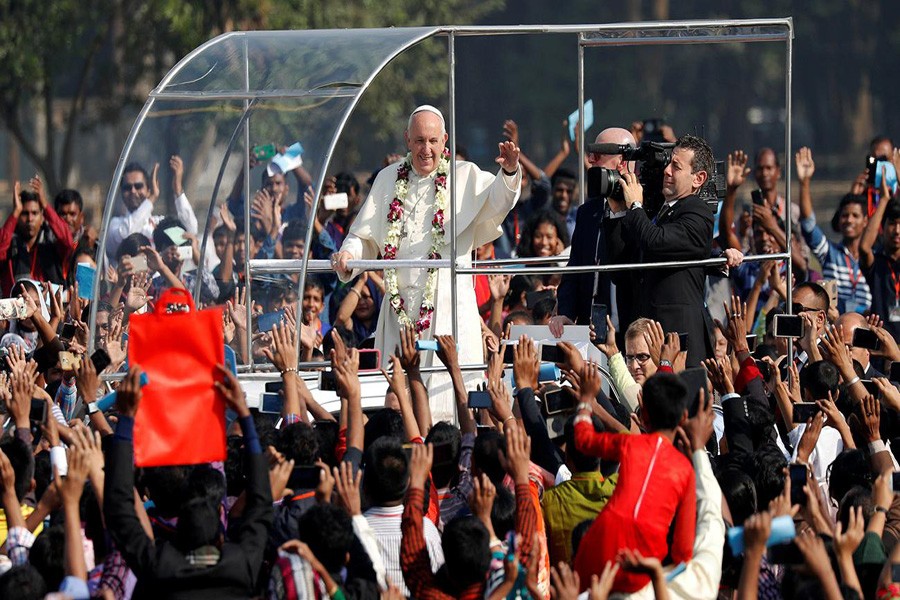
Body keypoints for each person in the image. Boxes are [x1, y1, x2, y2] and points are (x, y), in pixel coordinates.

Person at [331, 105, 521, 420]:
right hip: (399, 311)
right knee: (396, 409)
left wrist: (511, 172)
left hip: (448, 305)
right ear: (408, 139)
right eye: (419, 141)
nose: (426, 149)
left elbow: (499, 200)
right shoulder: (388, 179)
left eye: (433, 141)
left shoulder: (464, 175)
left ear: (444, 141)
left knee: (452, 403)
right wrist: (349, 254)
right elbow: (364, 236)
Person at [603, 134, 718, 365]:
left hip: (679, 339)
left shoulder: (698, 213)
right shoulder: (657, 212)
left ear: (698, 178)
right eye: (668, 164)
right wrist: (617, 213)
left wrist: (635, 205)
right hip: (644, 335)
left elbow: (655, 241)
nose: (666, 171)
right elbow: (621, 268)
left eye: (676, 167)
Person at [552, 127, 636, 335]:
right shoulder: (587, 212)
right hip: (591, 330)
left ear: (622, 163)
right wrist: (565, 313)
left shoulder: (645, 209)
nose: (590, 160)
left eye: (598, 155)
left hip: (632, 330)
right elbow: (574, 270)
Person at [797, 147, 872, 313]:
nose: (849, 220)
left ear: (866, 221)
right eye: (845, 215)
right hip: (836, 327)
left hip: (865, 328)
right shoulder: (830, 253)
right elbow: (809, 226)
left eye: (855, 215)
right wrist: (804, 182)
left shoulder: (873, 257)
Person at [105, 159, 199, 262]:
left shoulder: (159, 223)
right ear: (121, 192)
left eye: (138, 186)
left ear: (148, 189)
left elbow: (191, 231)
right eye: (127, 187)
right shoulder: (115, 225)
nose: (133, 191)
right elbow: (127, 235)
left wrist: (178, 190)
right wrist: (152, 197)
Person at [0, 179, 74, 293]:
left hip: (49, 308)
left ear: (42, 217)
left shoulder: (51, 242)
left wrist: (45, 204)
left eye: (34, 213)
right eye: (24, 213)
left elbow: (67, 241)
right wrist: (15, 211)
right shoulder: (9, 243)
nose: (30, 219)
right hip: (16, 307)